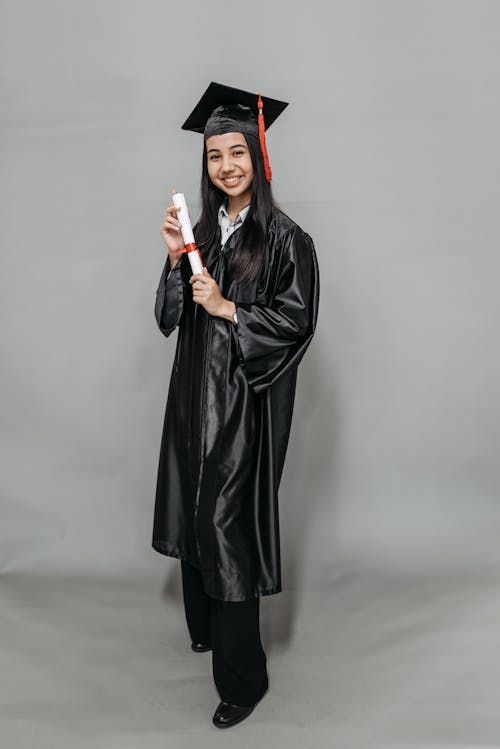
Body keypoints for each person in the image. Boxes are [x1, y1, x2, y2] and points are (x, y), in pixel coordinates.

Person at [152, 82, 320, 729]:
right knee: (194, 513)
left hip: (244, 415)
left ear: (258, 156)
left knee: (229, 532)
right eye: (215, 155)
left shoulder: (285, 240)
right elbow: (167, 318)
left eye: (238, 153)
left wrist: (228, 308)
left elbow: (296, 323)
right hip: (192, 406)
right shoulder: (197, 233)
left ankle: (243, 680)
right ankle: (206, 632)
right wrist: (173, 264)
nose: (226, 166)